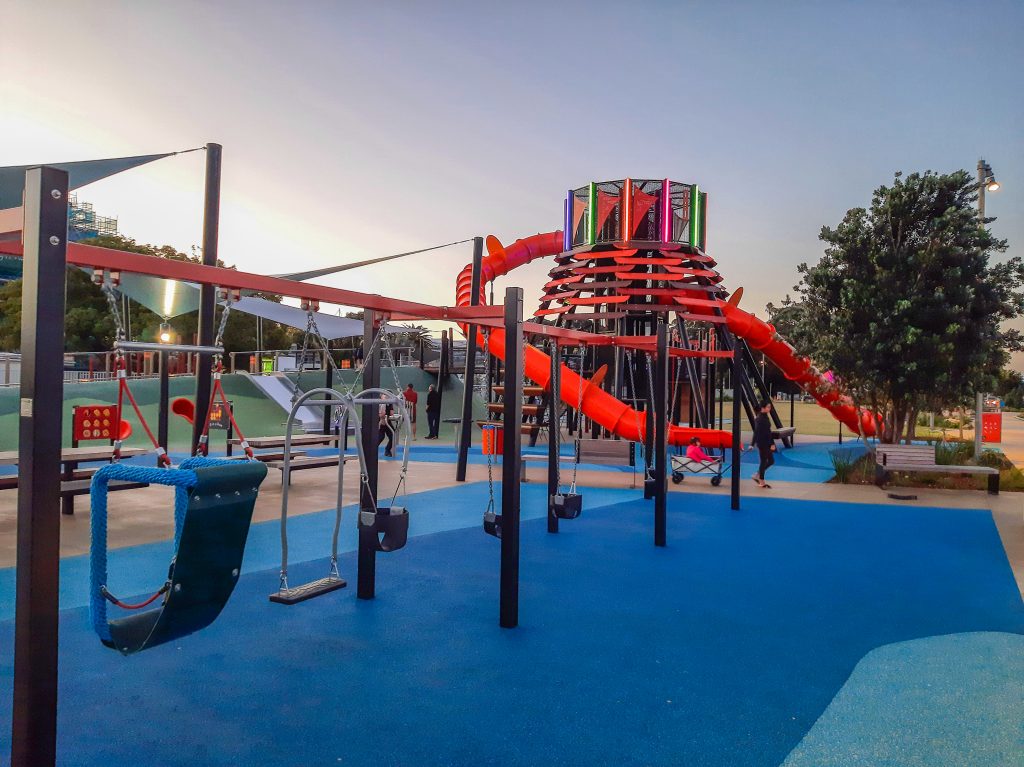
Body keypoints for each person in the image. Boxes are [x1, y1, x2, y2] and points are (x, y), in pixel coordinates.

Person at [748, 400, 776, 488]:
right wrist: (752, 444)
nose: (770, 408)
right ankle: (761, 480)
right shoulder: (759, 419)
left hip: (767, 442)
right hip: (762, 443)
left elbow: (768, 431)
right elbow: (756, 432)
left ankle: (757, 475)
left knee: (771, 461)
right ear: (763, 408)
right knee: (764, 461)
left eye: (770, 407)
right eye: (768, 407)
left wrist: (772, 443)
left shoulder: (766, 416)